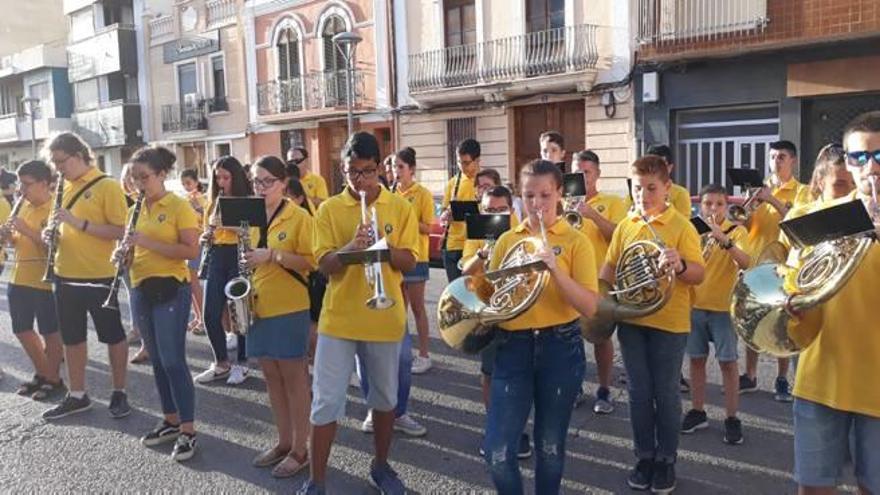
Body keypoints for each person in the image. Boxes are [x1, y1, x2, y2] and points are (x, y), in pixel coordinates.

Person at [298, 132, 418, 495]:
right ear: (343, 170)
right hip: (339, 320)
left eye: (366, 172)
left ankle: (381, 466)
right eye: (351, 173)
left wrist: (382, 245)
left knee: (384, 400)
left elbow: (411, 260)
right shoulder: (330, 209)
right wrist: (352, 247)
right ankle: (317, 480)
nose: (360, 180)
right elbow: (324, 265)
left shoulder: (400, 207)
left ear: (380, 168)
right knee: (325, 403)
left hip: (385, 318)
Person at [482, 160, 598, 494]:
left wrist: (554, 269)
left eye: (545, 195)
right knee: (498, 452)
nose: (537, 204)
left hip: (560, 346)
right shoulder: (507, 240)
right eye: (529, 195)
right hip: (513, 345)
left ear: (560, 194)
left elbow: (589, 306)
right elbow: (495, 300)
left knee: (549, 447)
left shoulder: (577, 242)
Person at [784, 115, 880, 495]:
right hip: (821, 377)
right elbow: (795, 284)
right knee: (813, 488)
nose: (869, 167)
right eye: (859, 157)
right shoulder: (820, 218)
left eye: (879, 155)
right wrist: (790, 303)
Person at [602, 155, 704, 494]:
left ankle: (666, 460)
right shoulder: (626, 226)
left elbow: (698, 274)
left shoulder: (682, 226)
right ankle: (644, 456)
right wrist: (602, 303)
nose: (643, 194)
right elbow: (609, 270)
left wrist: (679, 264)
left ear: (667, 189)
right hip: (632, 320)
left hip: (670, 323)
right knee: (638, 393)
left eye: (650, 188)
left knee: (667, 394)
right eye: (637, 187)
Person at [40, 132, 131, 421]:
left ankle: (119, 391)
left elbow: (120, 231)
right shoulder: (62, 186)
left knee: (113, 336)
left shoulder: (107, 185)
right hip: (65, 274)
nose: (57, 168)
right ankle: (77, 394)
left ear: (78, 156)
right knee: (73, 338)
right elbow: (64, 226)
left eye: (61, 161)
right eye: (54, 162)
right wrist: (51, 234)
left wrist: (77, 223)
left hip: (99, 275)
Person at [119, 146, 200, 461]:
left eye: (144, 177)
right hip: (141, 287)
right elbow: (134, 252)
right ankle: (170, 419)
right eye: (135, 178)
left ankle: (189, 429)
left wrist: (145, 242)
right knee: (156, 359)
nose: (139, 184)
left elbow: (191, 251)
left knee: (173, 361)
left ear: (162, 174)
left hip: (171, 288)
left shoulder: (179, 207)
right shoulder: (133, 210)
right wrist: (124, 255)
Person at [245, 156, 315, 478]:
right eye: (255, 181)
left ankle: (302, 450)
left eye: (266, 182)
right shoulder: (250, 215)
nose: (260, 188)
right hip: (257, 305)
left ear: (284, 183)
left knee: (294, 378)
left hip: (290, 306)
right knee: (271, 376)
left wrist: (272, 255)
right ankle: (284, 442)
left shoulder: (299, 216)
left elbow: (311, 262)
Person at [460, 186, 533, 460]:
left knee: (519, 375)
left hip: (517, 311)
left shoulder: (521, 230)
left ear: (510, 209)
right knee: (489, 373)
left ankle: (520, 430)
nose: (493, 214)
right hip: (488, 311)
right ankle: (495, 426)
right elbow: (464, 271)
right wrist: (482, 254)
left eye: (499, 209)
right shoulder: (477, 233)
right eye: (488, 209)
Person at [739, 140, 810, 401]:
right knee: (752, 320)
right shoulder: (761, 190)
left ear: (793, 161)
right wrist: (745, 212)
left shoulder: (802, 192)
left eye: (781, 157)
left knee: (781, 324)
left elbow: (798, 225)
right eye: (772, 157)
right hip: (756, 262)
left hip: (784, 267)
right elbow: (747, 226)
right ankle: (750, 374)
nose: (775, 162)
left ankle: (781, 379)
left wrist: (772, 200)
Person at [680, 184, 750, 445]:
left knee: (728, 363)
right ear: (700, 205)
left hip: (723, 309)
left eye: (719, 204)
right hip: (695, 306)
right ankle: (698, 411)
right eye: (708, 203)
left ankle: (732, 417)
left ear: (726, 207)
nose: (713, 209)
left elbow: (746, 262)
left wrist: (724, 239)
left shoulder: (737, 230)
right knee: (696, 360)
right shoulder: (691, 230)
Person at [1, 160, 65, 400]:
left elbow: (54, 244)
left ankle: (53, 378)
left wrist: (26, 229)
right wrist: (7, 237)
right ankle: (43, 373)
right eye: (20, 184)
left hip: (45, 280)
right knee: (21, 329)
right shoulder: (23, 205)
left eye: (27, 184)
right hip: (19, 276)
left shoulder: (55, 208)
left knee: (50, 331)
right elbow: (18, 240)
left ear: (44, 184)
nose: (22, 190)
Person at [570, 150, 627, 414]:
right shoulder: (564, 203)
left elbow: (619, 235)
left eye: (586, 172)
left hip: (600, 282)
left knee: (601, 339)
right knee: (571, 339)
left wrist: (592, 214)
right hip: (571, 284)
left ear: (598, 174)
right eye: (577, 172)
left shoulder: (613, 201)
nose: (581, 177)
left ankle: (604, 389)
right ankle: (576, 385)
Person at [193, 156, 253, 386]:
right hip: (217, 254)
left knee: (239, 313)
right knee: (210, 314)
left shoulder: (245, 199)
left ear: (235, 178)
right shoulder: (213, 200)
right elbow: (207, 230)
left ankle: (242, 363)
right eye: (217, 177)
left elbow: (250, 231)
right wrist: (205, 236)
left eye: (226, 177)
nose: (221, 182)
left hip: (237, 254)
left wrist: (227, 224)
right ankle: (220, 362)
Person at [390, 147, 435, 375]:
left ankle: (425, 354)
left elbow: (429, 227)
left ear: (411, 169)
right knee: (399, 309)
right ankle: (401, 352)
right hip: (395, 257)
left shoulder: (423, 194)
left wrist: (406, 218)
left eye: (400, 167)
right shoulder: (390, 193)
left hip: (417, 256)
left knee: (418, 308)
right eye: (393, 167)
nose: (395, 171)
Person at [120, 163, 149, 364]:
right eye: (130, 178)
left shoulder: (144, 202)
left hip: (146, 258)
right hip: (128, 255)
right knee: (133, 295)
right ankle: (137, 330)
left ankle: (147, 343)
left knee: (143, 299)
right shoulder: (125, 202)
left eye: (137, 178)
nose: (133, 183)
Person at [441, 138, 480, 282]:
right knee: (456, 293)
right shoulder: (453, 183)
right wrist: (445, 215)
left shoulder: (483, 181)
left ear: (477, 160)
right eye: (459, 162)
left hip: (475, 247)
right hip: (453, 245)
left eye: (466, 163)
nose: (462, 166)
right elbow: (443, 210)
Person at [180, 169, 207, 335]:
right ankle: (198, 316)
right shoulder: (186, 199)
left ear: (197, 182)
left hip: (198, 241)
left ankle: (204, 319)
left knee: (195, 281)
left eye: (188, 183)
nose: (186, 187)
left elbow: (206, 219)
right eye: (183, 184)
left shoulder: (201, 199)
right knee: (190, 281)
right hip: (188, 241)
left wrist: (196, 208)